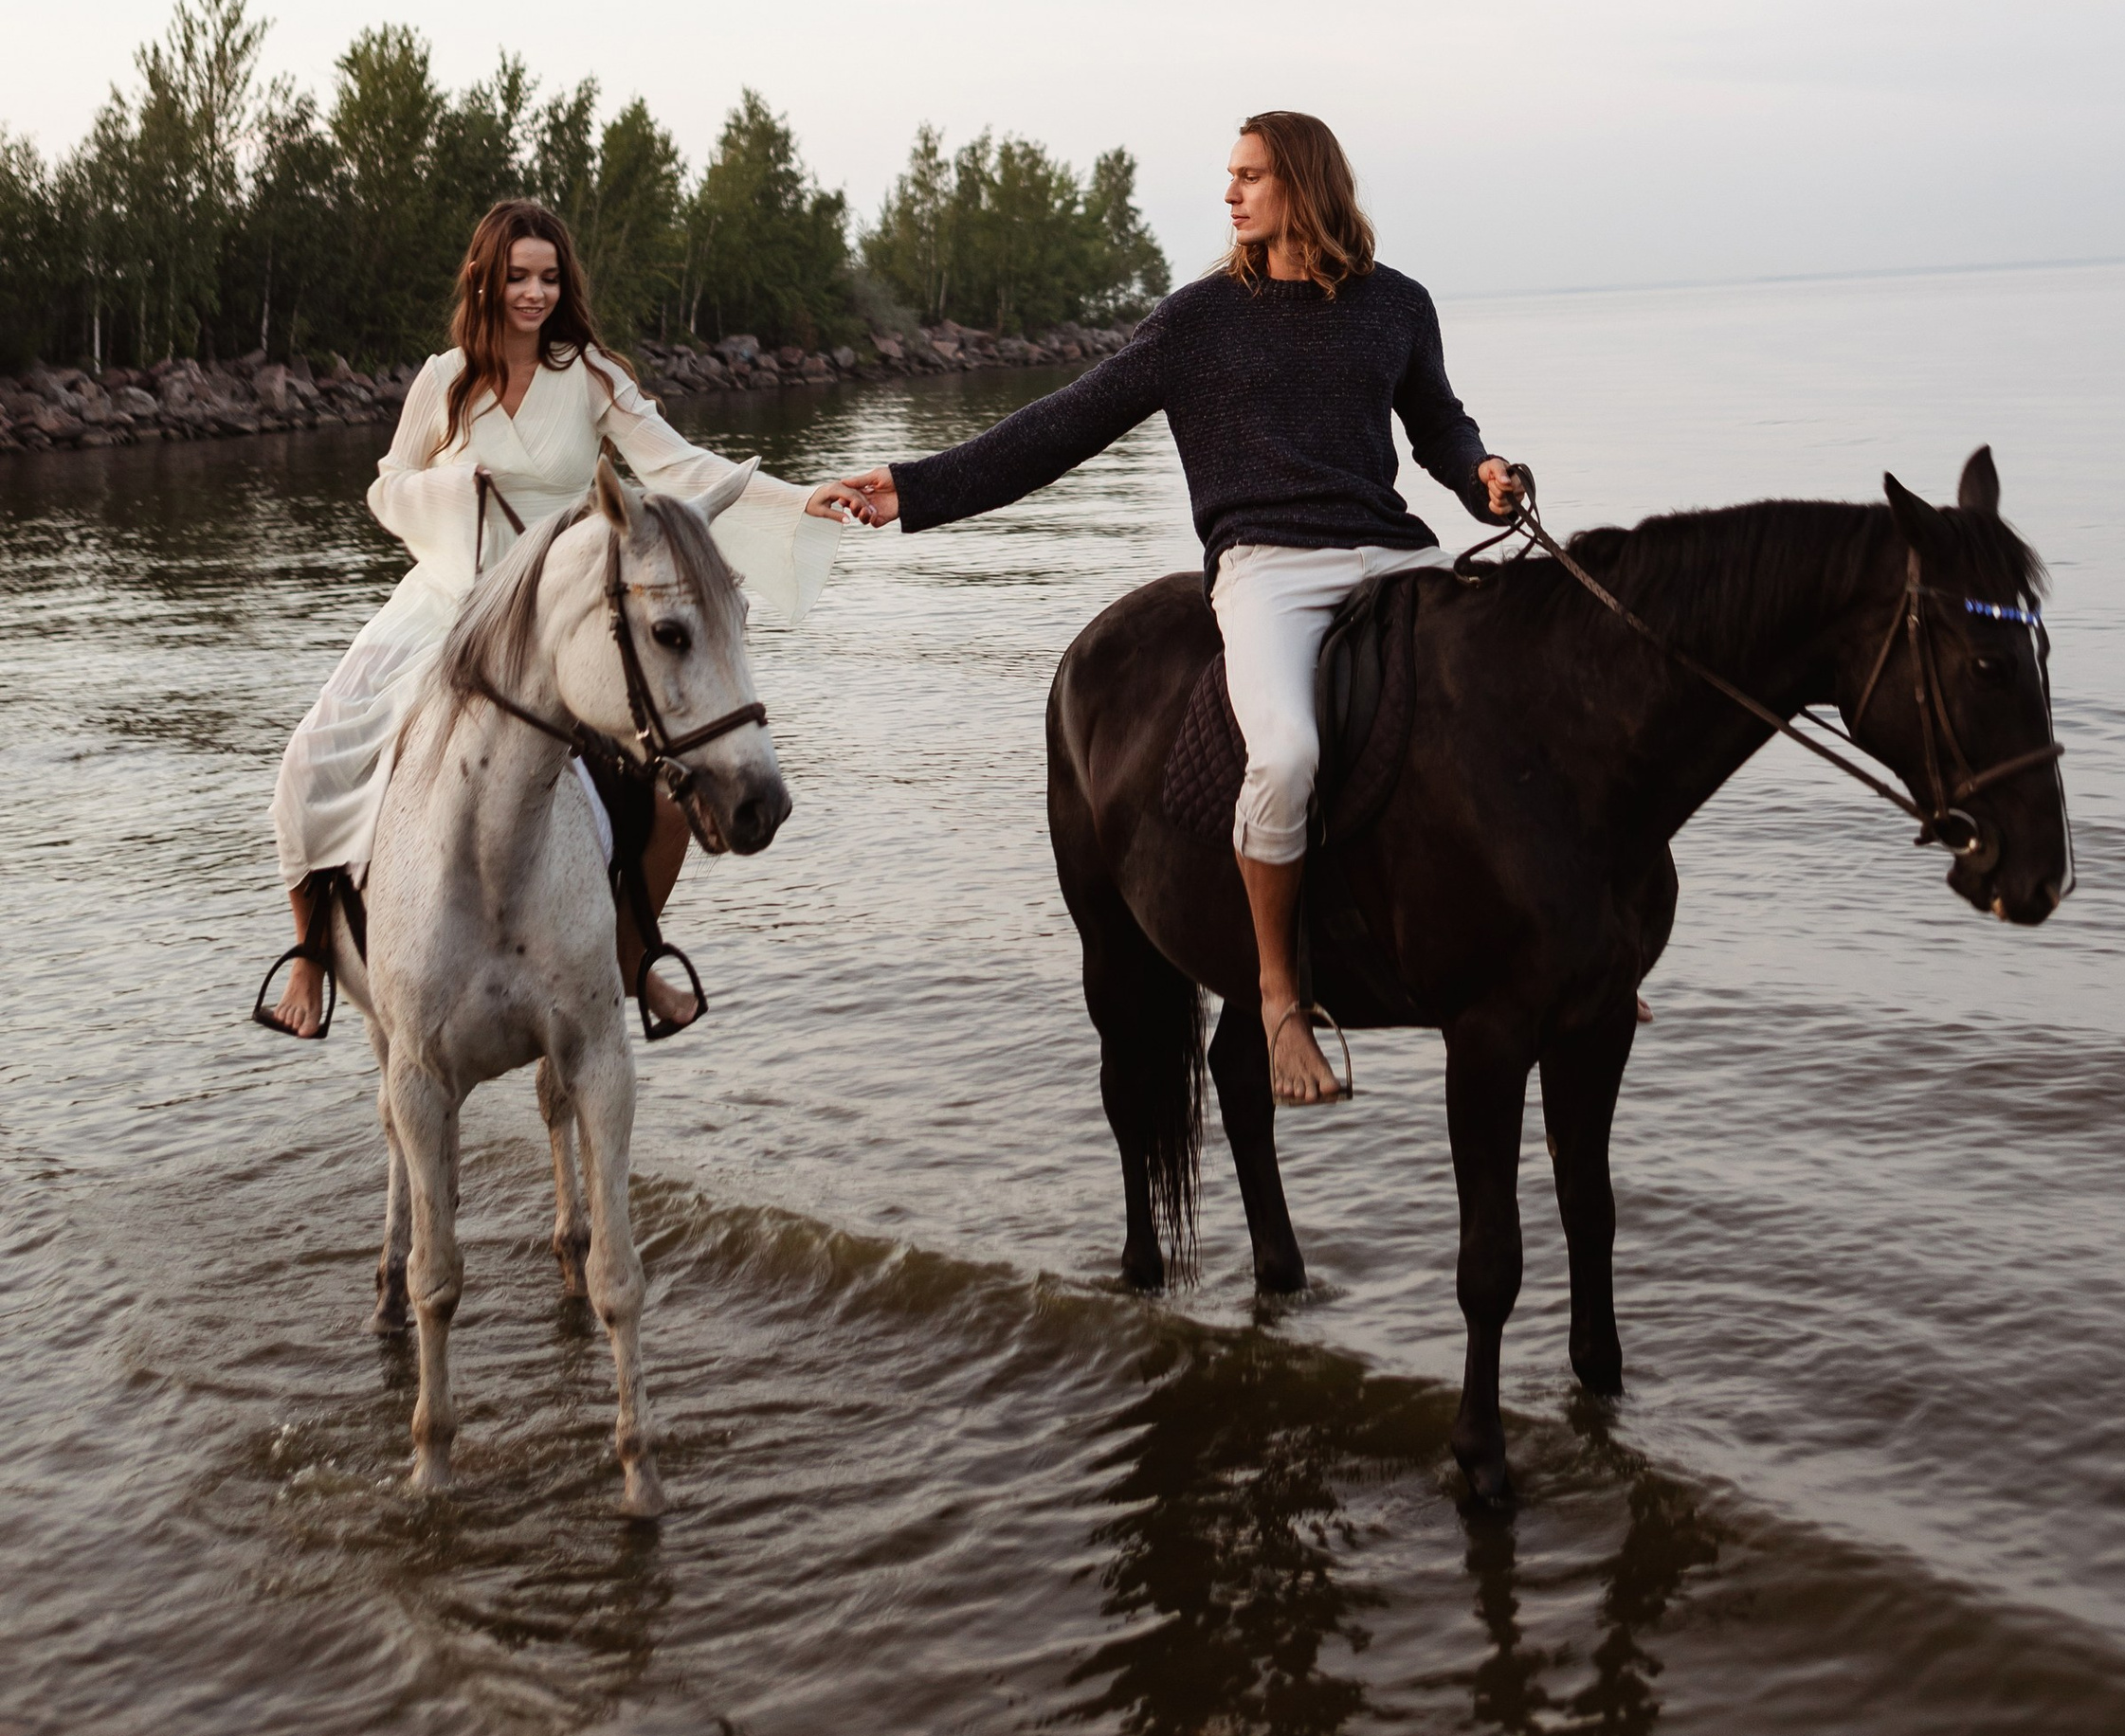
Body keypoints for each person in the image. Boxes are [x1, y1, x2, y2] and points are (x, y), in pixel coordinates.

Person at [826, 112, 1520, 1106]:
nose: (1230, 194)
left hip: (1390, 552)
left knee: (1506, 698)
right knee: (1282, 755)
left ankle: (1546, 937)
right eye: (1229, 177)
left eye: (1249, 176)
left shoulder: (1394, 305)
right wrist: (916, 486)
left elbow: (1439, 427)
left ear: (1303, 185)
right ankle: (1282, 1001)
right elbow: (1060, 424)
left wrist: (1483, 475)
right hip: (1267, 568)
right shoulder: (1197, 321)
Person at [259, 200, 851, 1040]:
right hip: (447, 603)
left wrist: (799, 500)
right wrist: (448, 495)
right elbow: (386, 484)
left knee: (672, 794)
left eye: (547, 277)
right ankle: (313, 951)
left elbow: (678, 463)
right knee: (308, 760)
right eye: (517, 277)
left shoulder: (592, 377)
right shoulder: (445, 378)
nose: (534, 294)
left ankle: (635, 958)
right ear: (486, 280)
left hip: (557, 608)